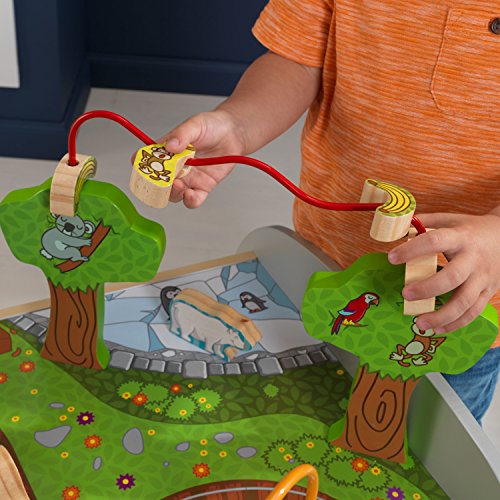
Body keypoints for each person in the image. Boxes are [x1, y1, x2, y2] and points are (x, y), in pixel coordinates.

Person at [152, 0, 500, 423]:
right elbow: (298, 60)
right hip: (323, 267)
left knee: (421, 444)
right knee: (308, 412)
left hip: (456, 315)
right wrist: (238, 123)